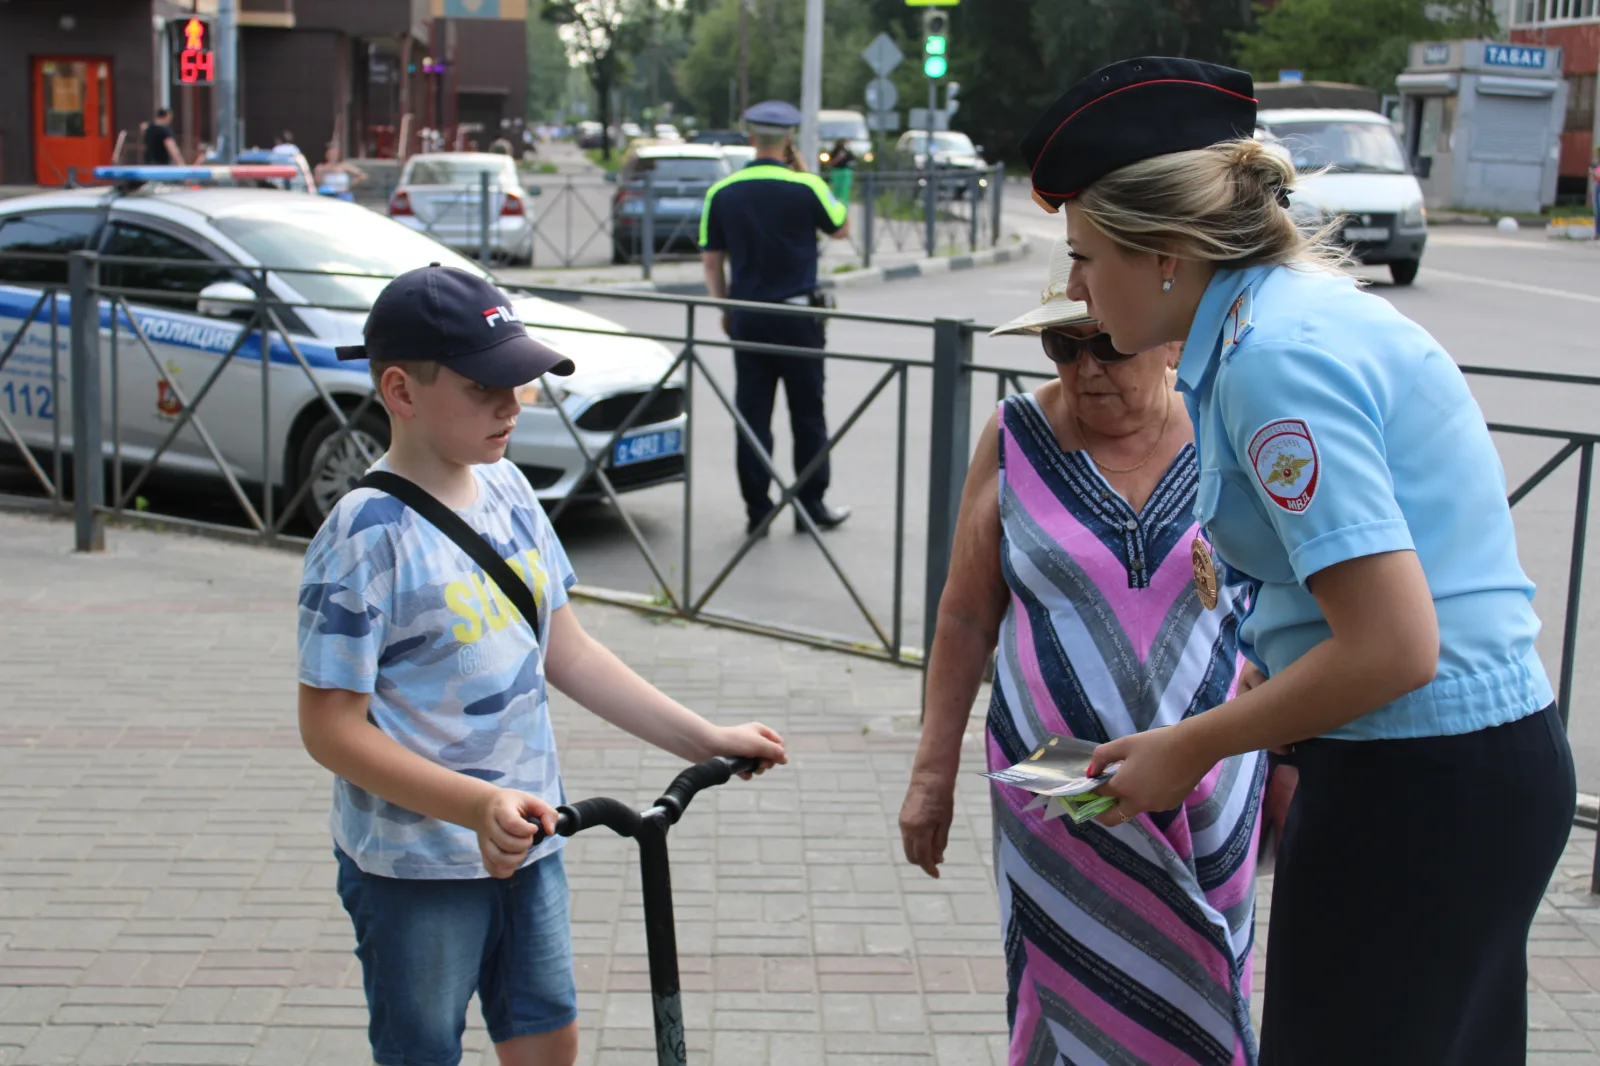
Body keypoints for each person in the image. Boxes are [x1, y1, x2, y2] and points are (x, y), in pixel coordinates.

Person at [1020, 57, 1575, 1065]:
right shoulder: (1271, 323)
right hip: (1449, 768)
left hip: (1423, 779)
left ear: (1168, 255)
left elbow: (1394, 646)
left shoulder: (1274, 356)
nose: (1074, 291)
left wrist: (1192, 745)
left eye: (1086, 257)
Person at [297, 265, 787, 1066]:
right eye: (483, 386)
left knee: (548, 1040)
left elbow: (568, 649)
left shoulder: (509, 490)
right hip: (415, 871)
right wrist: (475, 804)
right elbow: (329, 731)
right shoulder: (363, 536)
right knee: (421, 1050)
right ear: (401, 389)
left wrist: (702, 738)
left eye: (518, 384)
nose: (508, 405)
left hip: (532, 843)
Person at [898, 236, 1271, 1065]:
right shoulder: (1014, 436)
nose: (1086, 367)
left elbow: (1283, 603)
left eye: (1109, 344)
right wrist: (932, 775)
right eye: (1064, 345)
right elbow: (964, 617)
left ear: (1173, 340)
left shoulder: (1227, 424)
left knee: (1203, 982)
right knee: (1061, 988)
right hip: (1058, 776)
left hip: (1206, 778)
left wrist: (1285, 754)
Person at [700, 100, 853, 537]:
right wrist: (808, 172)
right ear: (787, 140)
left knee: (753, 417)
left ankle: (758, 511)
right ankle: (811, 507)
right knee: (808, 414)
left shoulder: (722, 193)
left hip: (748, 318)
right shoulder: (806, 187)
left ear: (750, 138)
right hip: (800, 319)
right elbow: (840, 228)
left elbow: (712, 264)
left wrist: (725, 309)